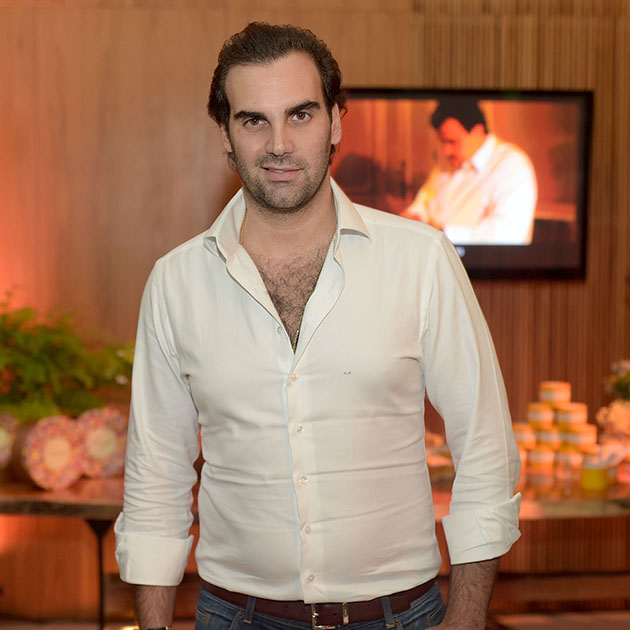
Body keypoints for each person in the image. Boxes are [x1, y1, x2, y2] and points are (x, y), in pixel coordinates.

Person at [114, 23, 521, 630]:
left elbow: (486, 448)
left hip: (399, 614)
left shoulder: (421, 261)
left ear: (335, 122)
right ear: (225, 135)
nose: (279, 143)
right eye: (254, 120)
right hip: (235, 615)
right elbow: (156, 478)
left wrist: (465, 620)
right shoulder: (176, 283)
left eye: (300, 115)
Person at [404, 98, 538, 245]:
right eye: (442, 142)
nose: (445, 151)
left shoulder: (511, 165)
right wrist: (412, 218)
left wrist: (442, 234)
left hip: (481, 259)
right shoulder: (445, 166)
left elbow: (508, 234)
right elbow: (423, 203)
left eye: (452, 141)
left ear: (477, 131)